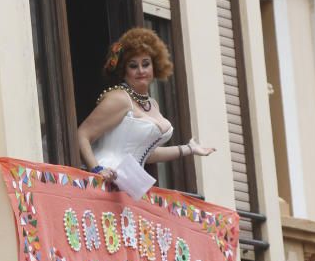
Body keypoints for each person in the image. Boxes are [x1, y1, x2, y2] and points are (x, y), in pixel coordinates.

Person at [78, 27, 216, 183]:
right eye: (133, 66)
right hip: (107, 180)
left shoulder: (152, 104)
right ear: (124, 70)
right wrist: (97, 170)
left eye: (146, 64)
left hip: (131, 184)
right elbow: (82, 134)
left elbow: (146, 152)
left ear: (155, 66)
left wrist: (189, 149)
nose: (141, 70)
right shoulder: (119, 98)